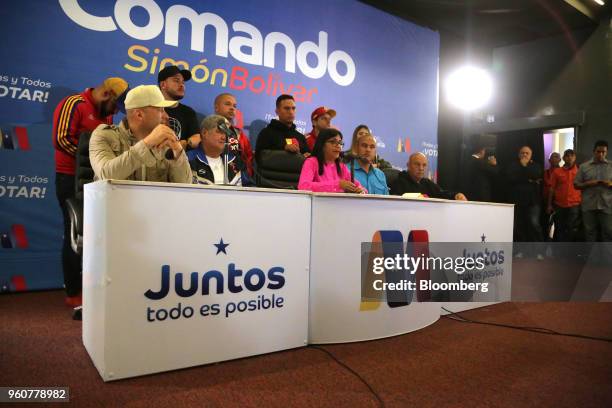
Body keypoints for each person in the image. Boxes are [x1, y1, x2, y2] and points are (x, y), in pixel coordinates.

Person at [52, 77, 128, 308]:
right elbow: (61, 139)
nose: (116, 112)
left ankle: (95, 288)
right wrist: (95, 160)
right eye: (116, 106)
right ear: (107, 95)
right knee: (76, 234)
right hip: (69, 178)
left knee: (100, 236)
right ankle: (73, 293)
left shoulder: (106, 114)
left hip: (97, 181)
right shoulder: (74, 103)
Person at [89, 85, 192, 183]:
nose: (166, 116)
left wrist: (178, 153)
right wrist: (147, 144)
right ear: (139, 115)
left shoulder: (164, 142)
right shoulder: (104, 135)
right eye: (160, 110)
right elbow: (106, 175)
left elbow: (185, 186)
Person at [187, 115, 253, 186]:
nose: (224, 137)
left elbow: (250, 189)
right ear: (204, 133)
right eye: (219, 132)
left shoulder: (236, 161)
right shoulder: (188, 160)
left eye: (226, 133)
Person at [298, 128, 366, 193]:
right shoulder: (311, 162)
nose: (338, 146)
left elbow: (360, 187)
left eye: (340, 143)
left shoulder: (341, 166)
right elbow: (303, 186)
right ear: (322, 144)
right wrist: (337, 185)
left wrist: (360, 190)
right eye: (333, 142)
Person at [506, 146, 544, 258]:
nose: (525, 155)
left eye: (527, 153)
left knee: (534, 224)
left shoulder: (536, 165)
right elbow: (510, 178)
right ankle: (520, 251)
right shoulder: (512, 165)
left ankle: (539, 252)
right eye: (522, 153)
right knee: (519, 226)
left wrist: (523, 168)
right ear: (519, 154)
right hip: (517, 200)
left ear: (531, 155)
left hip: (533, 201)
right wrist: (529, 179)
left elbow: (536, 174)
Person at [255, 94, 310, 164]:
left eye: (293, 108)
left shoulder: (300, 137)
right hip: (271, 174)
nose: (291, 112)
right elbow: (259, 159)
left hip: (296, 174)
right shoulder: (266, 133)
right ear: (277, 111)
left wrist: (306, 158)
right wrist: (283, 149)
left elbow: (308, 159)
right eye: (287, 108)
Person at [574, 140, 612, 242]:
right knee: (589, 233)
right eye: (598, 151)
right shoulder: (583, 167)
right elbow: (576, 185)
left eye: (603, 152)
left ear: (606, 152)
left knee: (608, 233)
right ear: (593, 151)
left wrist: (610, 184)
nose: (601, 154)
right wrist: (587, 184)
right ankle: (591, 258)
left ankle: (607, 258)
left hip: (607, 205)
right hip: (589, 206)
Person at [390, 152, 467, 200]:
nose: (421, 168)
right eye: (417, 164)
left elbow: (441, 194)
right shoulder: (399, 183)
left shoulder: (427, 183)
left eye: (424, 165)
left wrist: (455, 195)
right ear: (408, 165)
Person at [158, 65, 200, 150]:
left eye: (183, 82)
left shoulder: (188, 112)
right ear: (163, 85)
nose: (181, 85)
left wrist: (185, 143)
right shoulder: (151, 108)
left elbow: (196, 138)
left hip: (178, 161)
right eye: (176, 81)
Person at [214, 93, 254, 176]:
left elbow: (248, 158)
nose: (232, 108)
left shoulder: (239, 134)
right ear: (216, 108)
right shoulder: (207, 130)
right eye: (227, 104)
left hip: (238, 177)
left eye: (234, 106)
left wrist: (245, 176)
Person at [547, 149, 581, 242]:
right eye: (567, 155)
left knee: (571, 229)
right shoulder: (557, 172)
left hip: (574, 205)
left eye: (572, 155)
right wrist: (549, 205)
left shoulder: (580, 171)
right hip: (559, 205)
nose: (569, 158)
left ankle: (568, 252)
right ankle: (558, 251)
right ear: (563, 158)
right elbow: (552, 189)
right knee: (559, 228)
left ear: (575, 158)